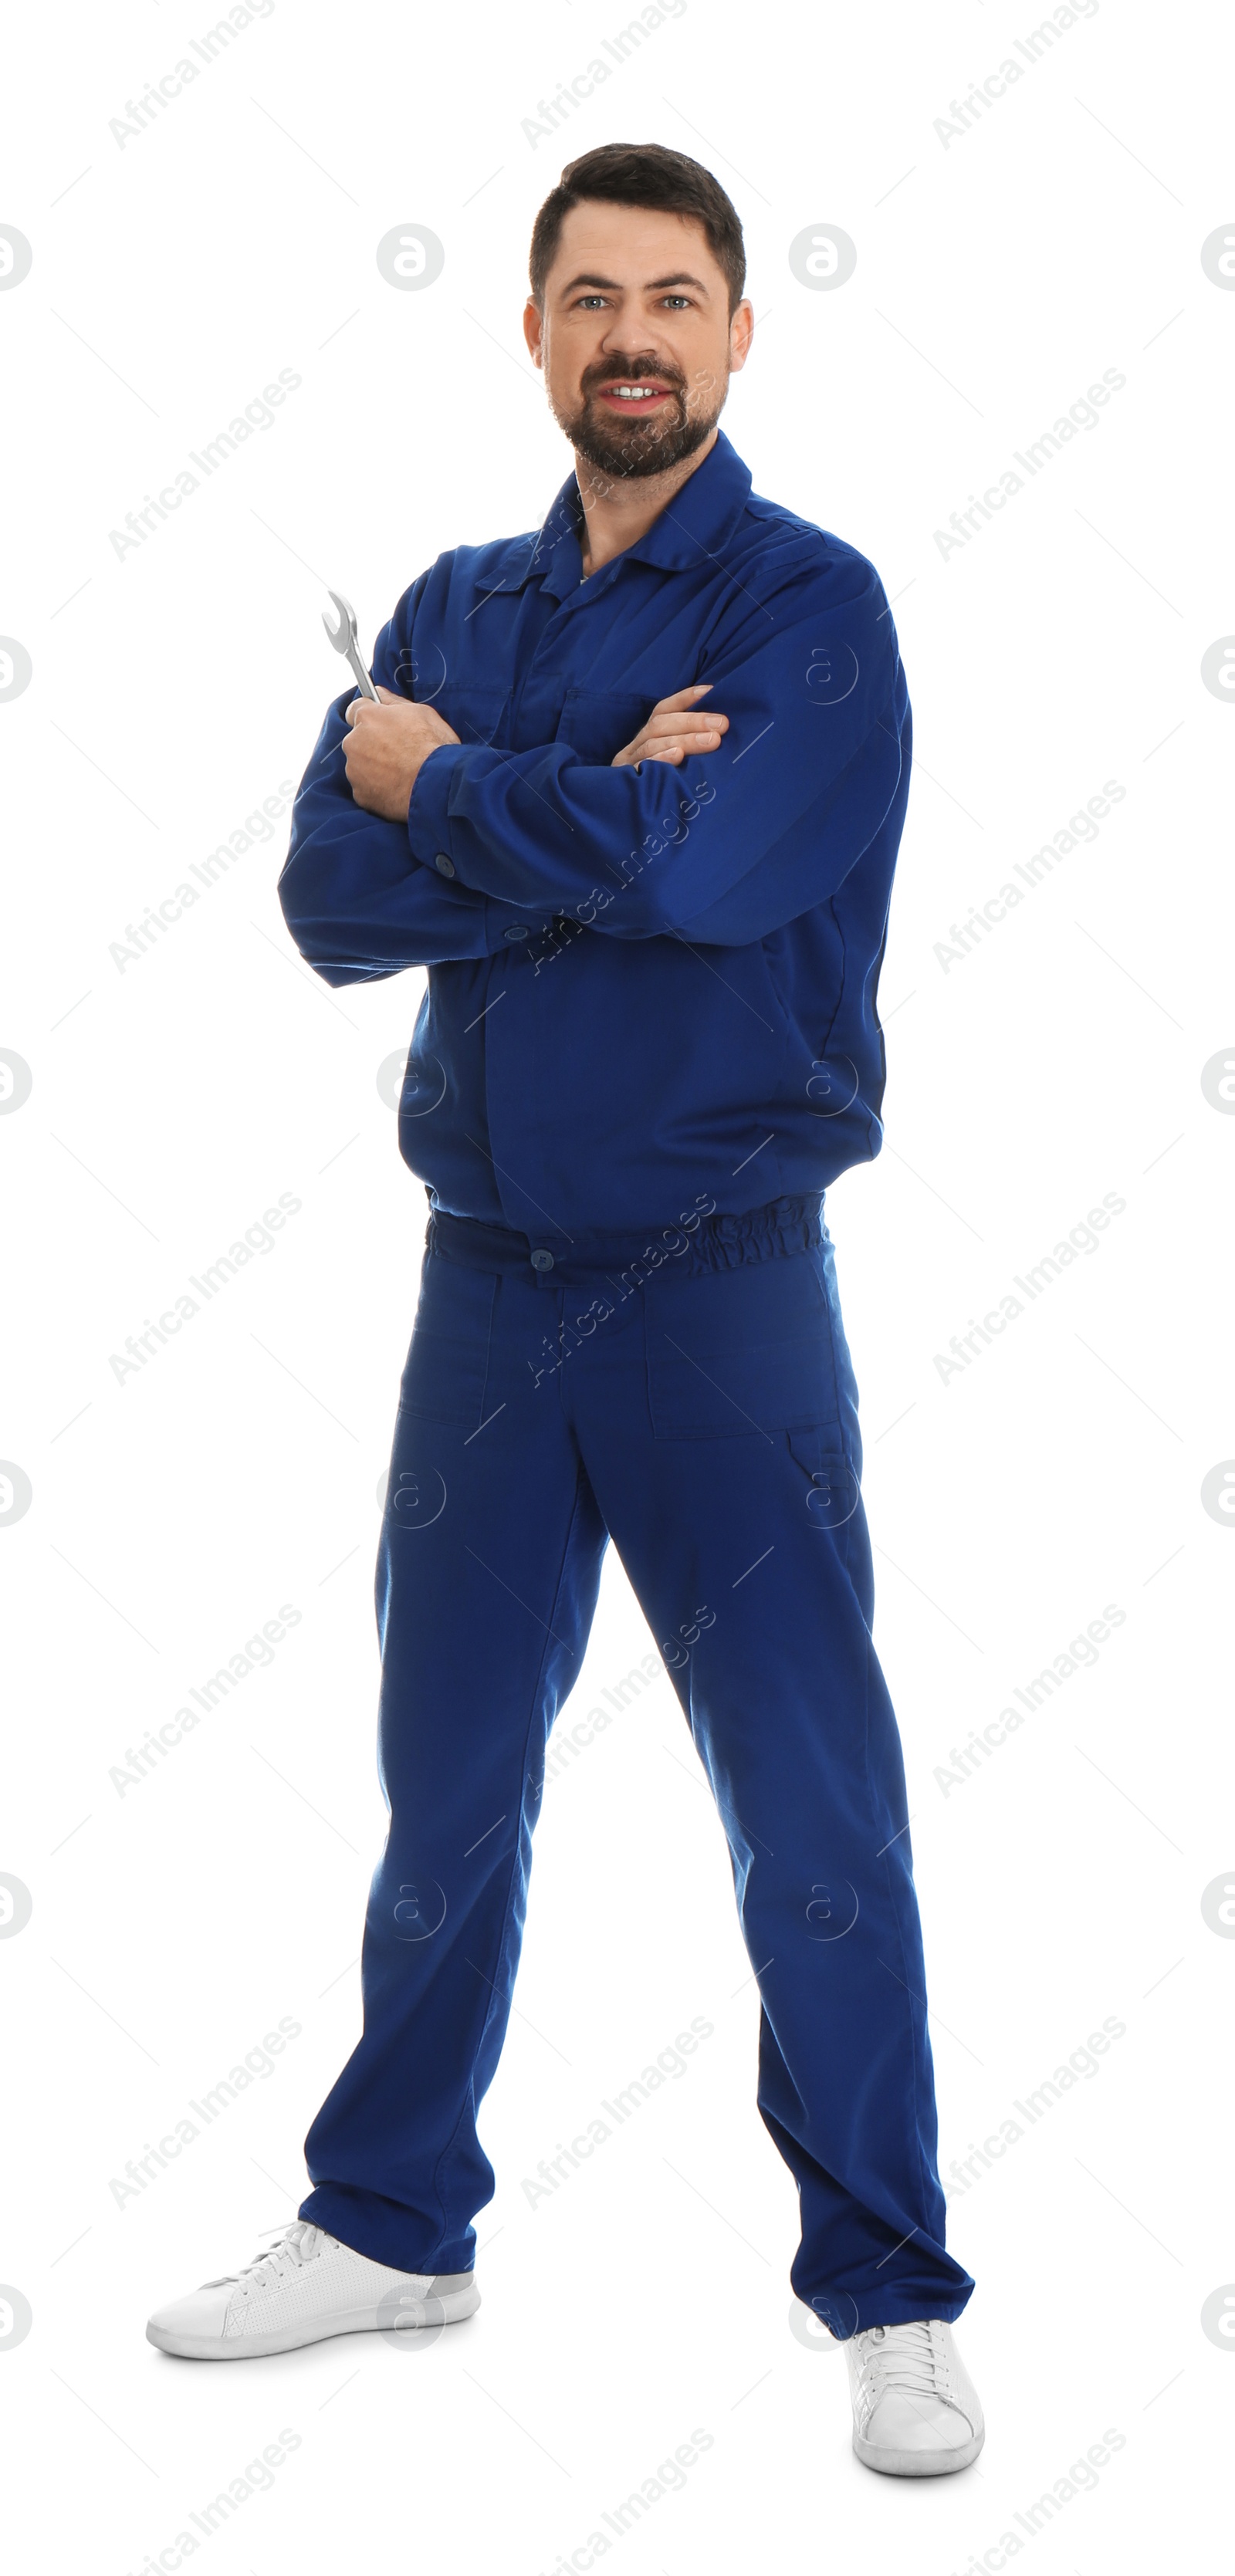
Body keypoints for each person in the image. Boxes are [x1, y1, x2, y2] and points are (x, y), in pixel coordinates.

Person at [147, 140, 983, 2478]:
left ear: (739, 334)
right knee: (445, 1793)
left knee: (812, 1809)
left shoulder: (813, 610)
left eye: (679, 295)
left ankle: (893, 2288)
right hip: (487, 1296)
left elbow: (708, 882)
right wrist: (569, 800)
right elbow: (329, 900)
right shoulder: (459, 599)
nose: (636, 331)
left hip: (726, 1297)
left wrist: (466, 805)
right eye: (593, 295)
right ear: (534, 334)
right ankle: (393, 2216)